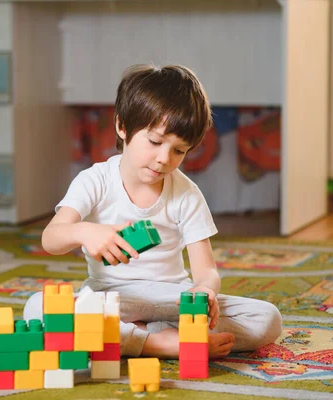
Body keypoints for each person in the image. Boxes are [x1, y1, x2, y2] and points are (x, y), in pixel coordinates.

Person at [23, 64, 283, 358]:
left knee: (267, 319)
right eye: (155, 142)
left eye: (179, 150)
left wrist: (205, 292)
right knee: (37, 309)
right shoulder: (94, 181)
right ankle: (159, 343)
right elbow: (51, 238)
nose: (163, 159)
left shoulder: (186, 193)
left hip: (172, 300)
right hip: (110, 298)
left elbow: (206, 270)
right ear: (122, 126)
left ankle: (140, 334)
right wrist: (83, 231)